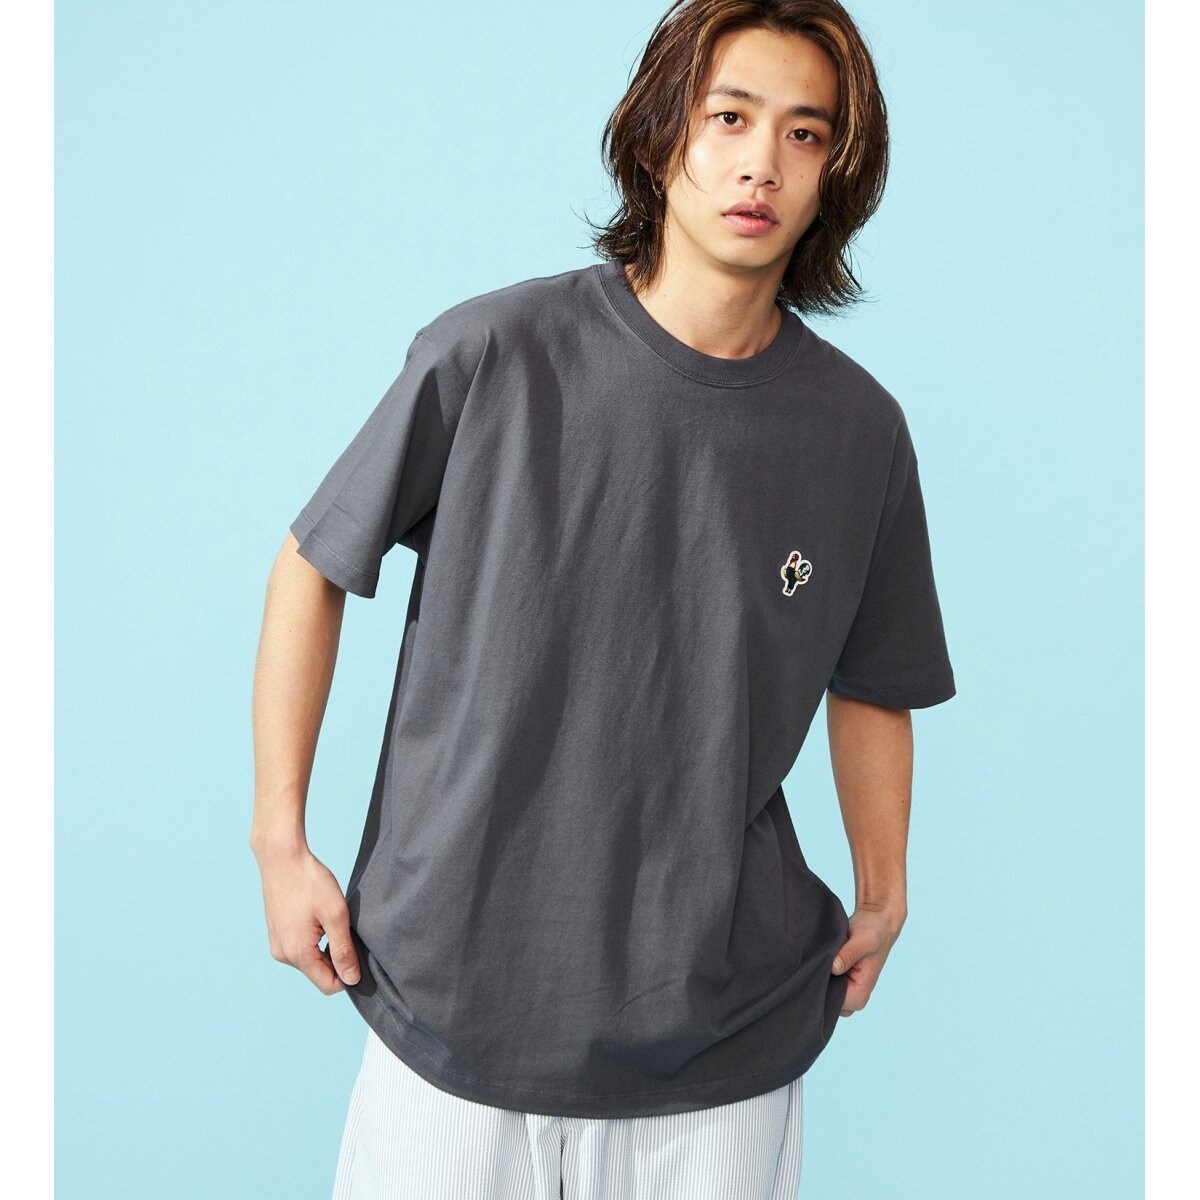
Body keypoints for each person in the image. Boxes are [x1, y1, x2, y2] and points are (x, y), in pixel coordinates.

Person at [250, 0, 957, 1195]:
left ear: (836, 171)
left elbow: (876, 680)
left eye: (804, 134)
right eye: (729, 117)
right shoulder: (492, 353)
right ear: (660, 136)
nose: (761, 162)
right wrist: (280, 840)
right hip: (450, 1000)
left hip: (720, 1030)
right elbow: (312, 565)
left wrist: (886, 891)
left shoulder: (859, 433)